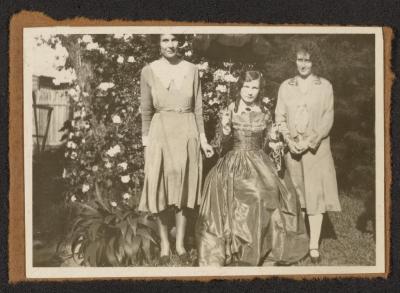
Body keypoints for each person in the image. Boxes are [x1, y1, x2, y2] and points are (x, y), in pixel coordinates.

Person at [196, 70, 308, 266]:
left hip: (259, 161)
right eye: (246, 87)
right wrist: (225, 129)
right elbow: (220, 146)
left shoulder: (265, 112)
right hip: (233, 162)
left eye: (254, 87)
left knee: (269, 192)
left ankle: (264, 246)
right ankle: (237, 246)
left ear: (259, 90)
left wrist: (274, 143)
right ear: (239, 88)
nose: (249, 91)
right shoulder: (229, 110)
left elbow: (266, 143)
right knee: (251, 195)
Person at [139, 34, 214, 266]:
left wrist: (203, 140)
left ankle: (180, 243)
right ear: (158, 43)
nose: (170, 45)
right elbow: (146, 111)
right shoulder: (148, 71)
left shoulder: (192, 69)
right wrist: (146, 143)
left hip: (187, 130)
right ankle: (164, 244)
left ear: (180, 43)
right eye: (164, 40)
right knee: (161, 186)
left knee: (184, 189)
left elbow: (199, 109)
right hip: (160, 133)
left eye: (174, 40)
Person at [275, 40, 341, 263]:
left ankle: (314, 246)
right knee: (297, 196)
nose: (303, 64)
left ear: (314, 61)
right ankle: (300, 242)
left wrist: (309, 141)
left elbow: (328, 118)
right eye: (299, 59)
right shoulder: (286, 86)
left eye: (307, 59)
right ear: (294, 60)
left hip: (316, 150)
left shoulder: (325, 86)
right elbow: (279, 116)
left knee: (315, 195)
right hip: (293, 150)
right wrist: (288, 139)